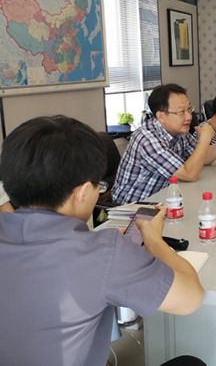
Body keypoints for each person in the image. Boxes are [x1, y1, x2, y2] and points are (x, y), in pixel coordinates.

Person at [0, 115, 204, 366]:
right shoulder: (103, 252)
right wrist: (153, 239)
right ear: (83, 192)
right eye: (99, 185)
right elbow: (190, 298)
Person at [112, 83, 216, 204]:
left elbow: (204, 157)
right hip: (132, 207)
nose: (189, 116)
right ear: (161, 116)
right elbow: (190, 174)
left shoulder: (179, 132)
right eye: (181, 112)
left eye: (189, 109)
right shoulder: (147, 139)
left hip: (164, 198)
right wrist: (204, 139)